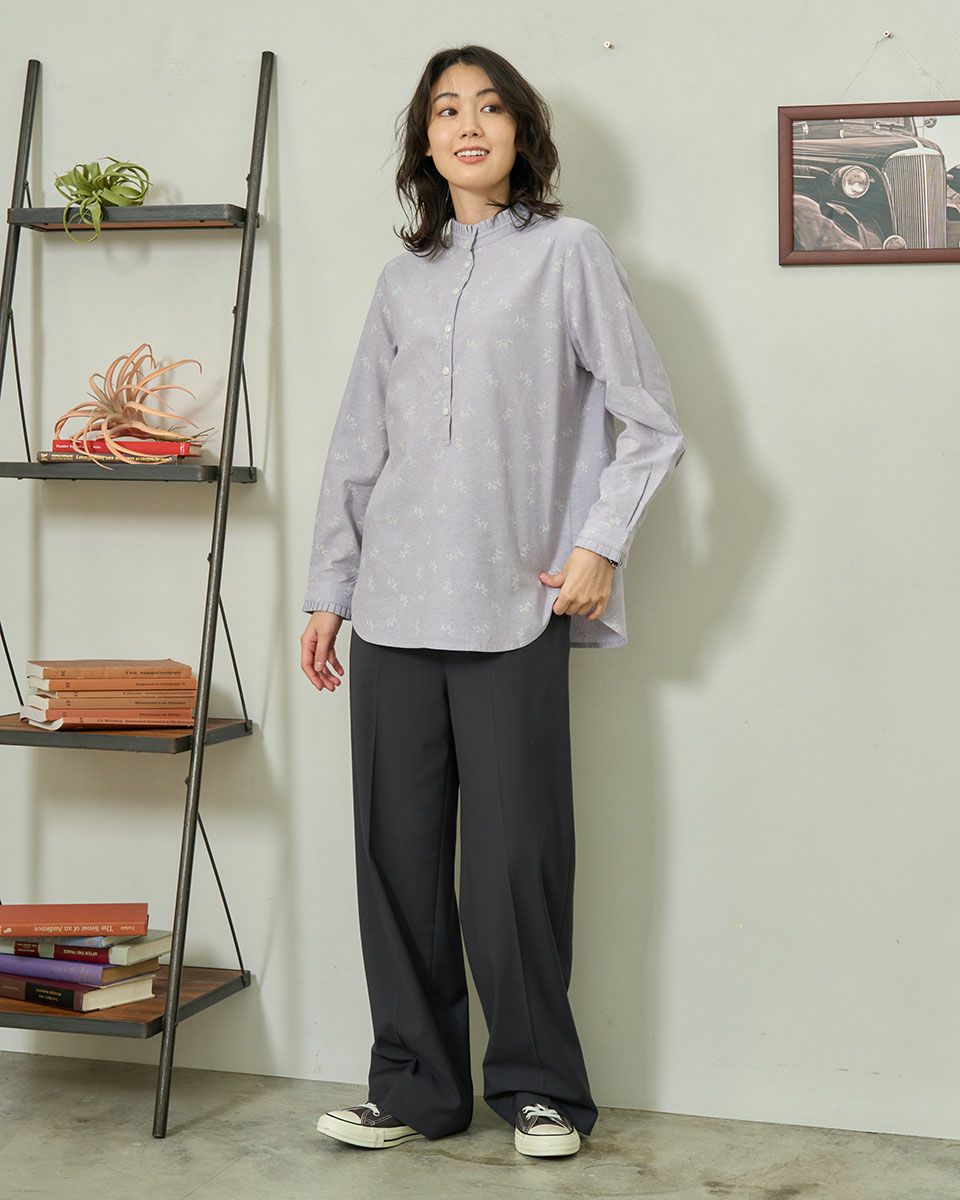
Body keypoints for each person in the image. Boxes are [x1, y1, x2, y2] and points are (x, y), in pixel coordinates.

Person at [300, 44, 686, 1159]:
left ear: (521, 130)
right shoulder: (401, 282)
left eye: (488, 107)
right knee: (397, 859)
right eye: (445, 111)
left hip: (513, 602)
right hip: (391, 607)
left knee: (517, 863)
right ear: (424, 143)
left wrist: (598, 543)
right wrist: (329, 592)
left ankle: (539, 1089)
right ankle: (415, 1089)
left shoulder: (569, 254)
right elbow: (357, 449)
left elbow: (649, 419)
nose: (467, 126)